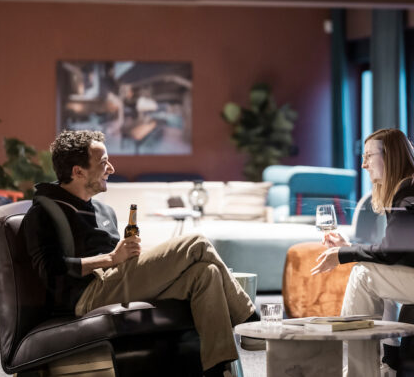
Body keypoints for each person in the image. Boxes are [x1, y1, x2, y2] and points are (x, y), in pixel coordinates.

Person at [22, 130, 256, 377]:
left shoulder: (103, 210)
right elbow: (50, 269)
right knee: (196, 243)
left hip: (116, 281)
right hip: (85, 295)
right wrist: (111, 258)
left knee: (205, 273)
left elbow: (120, 261)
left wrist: (130, 256)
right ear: (78, 171)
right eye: (103, 163)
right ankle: (250, 320)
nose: (111, 168)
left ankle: (219, 371)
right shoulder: (44, 212)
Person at [311, 128, 414, 376]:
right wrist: (348, 247)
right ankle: (388, 363)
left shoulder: (411, 189)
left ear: (390, 156)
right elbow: (398, 253)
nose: (363, 164)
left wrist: (344, 254)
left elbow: (390, 252)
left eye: (368, 156)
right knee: (376, 272)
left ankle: (360, 371)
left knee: (363, 274)